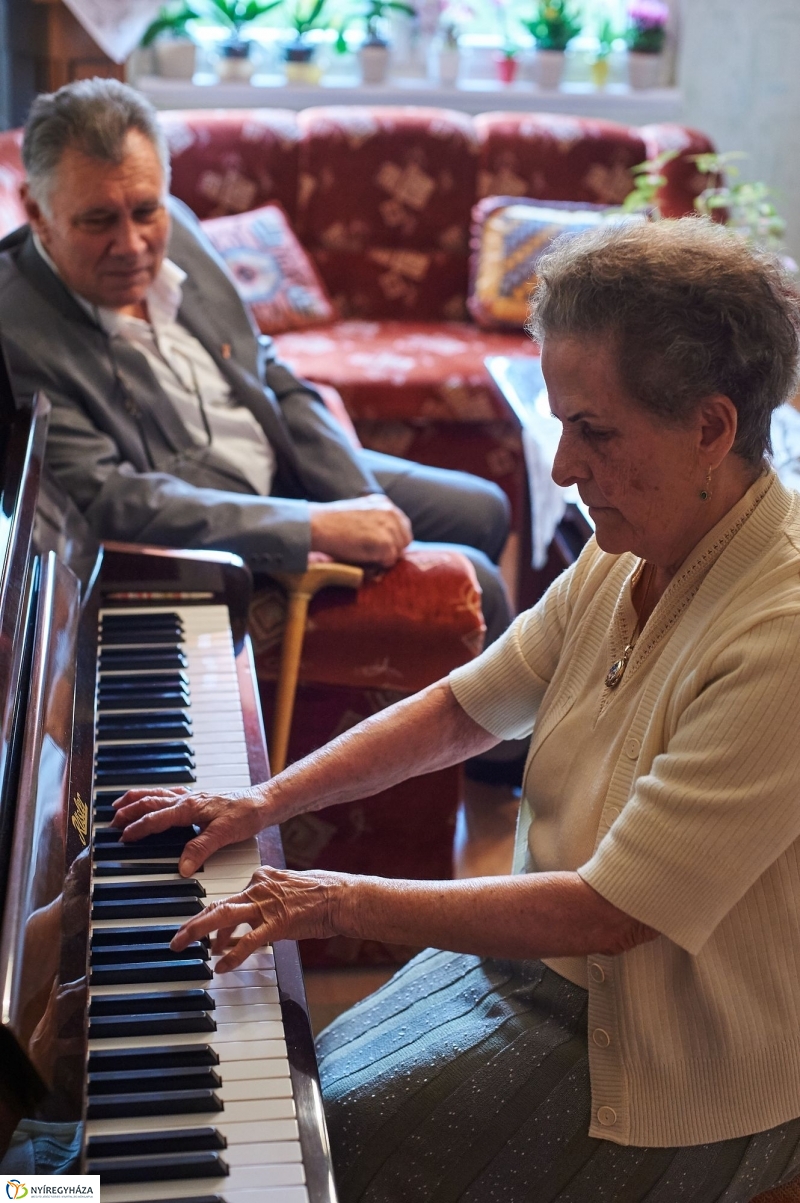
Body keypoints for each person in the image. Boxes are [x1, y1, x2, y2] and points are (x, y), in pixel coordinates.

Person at [114, 216, 800, 1202]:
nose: (560, 469)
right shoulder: (626, 551)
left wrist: (329, 898)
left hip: (664, 1065)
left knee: (292, 1159)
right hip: (534, 976)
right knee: (270, 1102)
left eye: (592, 430)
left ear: (709, 427)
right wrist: (257, 803)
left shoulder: (776, 631)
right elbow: (461, 709)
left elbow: (609, 914)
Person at [0, 77, 525, 870]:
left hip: (274, 461)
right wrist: (313, 527)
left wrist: (358, 496)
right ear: (37, 214)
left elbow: (272, 370)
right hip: (202, 528)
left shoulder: (173, 224)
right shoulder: (15, 327)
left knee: (485, 505)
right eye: (98, 221)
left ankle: (492, 763)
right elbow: (112, 502)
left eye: (145, 211)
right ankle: (506, 772)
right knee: (478, 579)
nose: (135, 244)